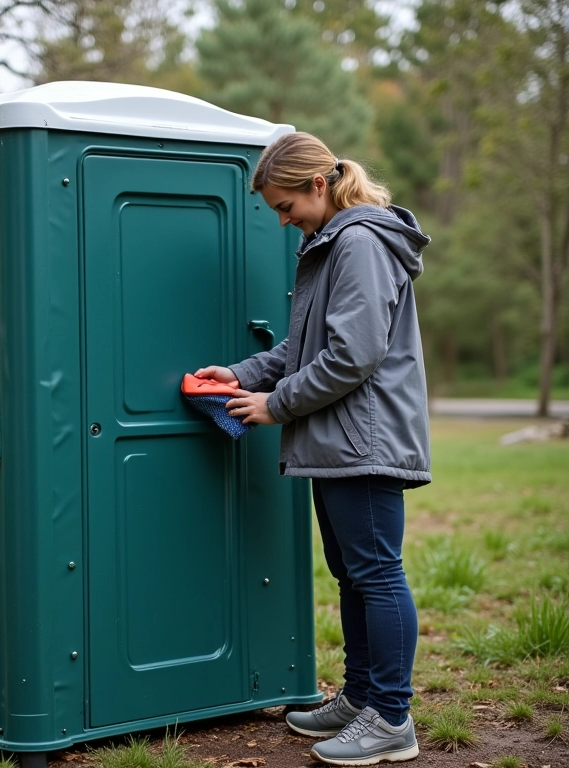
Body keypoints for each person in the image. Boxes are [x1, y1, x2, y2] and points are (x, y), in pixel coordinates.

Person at [194, 132, 431, 766]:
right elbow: (304, 349)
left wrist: (275, 404)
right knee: (353, 573)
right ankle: (361, 698)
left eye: (285, 205)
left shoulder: (359, 243)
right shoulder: (330, 242)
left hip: (364, 439)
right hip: (338, 437)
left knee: (376, 573)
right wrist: (241, 375)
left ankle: (392, 718)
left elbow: (353, 355)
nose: (282, 220)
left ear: (318, 185)